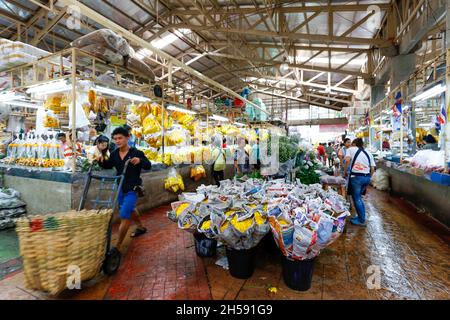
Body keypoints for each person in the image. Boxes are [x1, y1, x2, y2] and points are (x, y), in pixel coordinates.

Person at [97, 127, 151, 251]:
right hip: (120, 187)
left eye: (120, 138)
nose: (117, 141)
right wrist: (101, 161)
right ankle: (141, 227)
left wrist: (140, 161)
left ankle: (118, 246)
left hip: (133, 187)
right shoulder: (115, 154)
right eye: (115, 139)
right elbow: (109, 165)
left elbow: (148, 165)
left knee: (124, 213)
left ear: (128, 137)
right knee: (129, 208)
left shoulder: (136, 152)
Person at [343, 138, 376, 227]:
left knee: (356, 198)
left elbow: (346, 160)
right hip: (366, 177)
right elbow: (372, 168)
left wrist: (345, 172)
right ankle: (360, 217)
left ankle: (361, 220)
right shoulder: (368, 153)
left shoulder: (350, 149)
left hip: (356, 177)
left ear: (354, 144)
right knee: (359, 198)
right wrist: (369, 178)